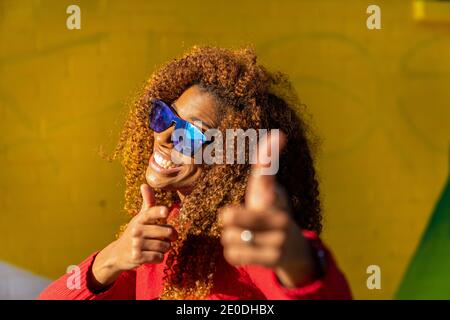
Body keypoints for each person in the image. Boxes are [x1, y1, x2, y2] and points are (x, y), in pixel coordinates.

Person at [38, 47, 352, 300]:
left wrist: (300, 262)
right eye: (164, 116)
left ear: (232, 158)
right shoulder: (161, 231)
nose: (163, 137)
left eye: (192, 133)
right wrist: (111, 260)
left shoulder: (243, 241)